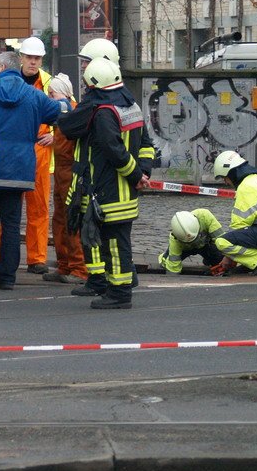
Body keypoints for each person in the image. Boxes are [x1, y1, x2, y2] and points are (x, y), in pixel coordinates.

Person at [58, 57, 154, 309]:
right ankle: (112, 287)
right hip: (122, 193)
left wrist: (136, 175)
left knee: (113, 244)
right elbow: (145, 145)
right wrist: (143, 172)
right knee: (111, 241)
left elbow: (114, 151)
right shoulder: (129, 106)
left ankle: (120, 294)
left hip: (110, 191)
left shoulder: (102, 113)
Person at [0, 51, 62, 290]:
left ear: (0, 68)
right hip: (20, 172)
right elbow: (61, 113)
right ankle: (7, 277)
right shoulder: (34, 95)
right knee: (11, 225)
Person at [44, 73, 87, 285]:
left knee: (71, 221)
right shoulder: (64, 112)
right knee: (59, 220)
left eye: (53, 93)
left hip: (70, 172)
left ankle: (78, 268)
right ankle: (65, 265)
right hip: (62, 172)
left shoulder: (73, 112)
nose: (50, 97)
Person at [16, 36, 54, 275]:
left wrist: (55, 133)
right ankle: (4, 256)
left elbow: (68, 110)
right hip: (17, 147)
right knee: (10, 207)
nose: (33, 62)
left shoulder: (50, 83)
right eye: (30, 57)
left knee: (39, 207)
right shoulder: (11, 80)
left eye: (37, 58)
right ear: (22, 58)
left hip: (40, 149)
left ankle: (37, 258)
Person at [158, 209, 225, 274]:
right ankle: (163, 257)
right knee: (165, 263)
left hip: (206, 245)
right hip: (185, 249)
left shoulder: (205, 216)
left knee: (221, 259)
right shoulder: (175, 239)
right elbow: (173, 269)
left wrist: (228, 259)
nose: (193, 242)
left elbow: (222, 240)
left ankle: (209, 259)